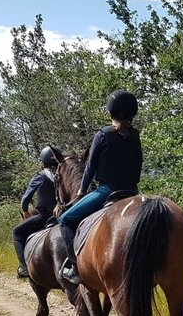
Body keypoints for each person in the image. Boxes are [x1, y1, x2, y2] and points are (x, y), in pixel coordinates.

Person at [57, 90, 143, 284]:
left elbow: (90, 167)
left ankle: (75, 268)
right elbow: (138, 166)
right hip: (132, 193)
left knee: (65, 220)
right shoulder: (135, 136)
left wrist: (81, 190)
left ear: (110, 112)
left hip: (106, 192)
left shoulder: (103, 135)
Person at [12, 146, 61, 278]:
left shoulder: (40, 176)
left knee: (17, 232)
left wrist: (25, 210)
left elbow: (26, 198)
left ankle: (23, 267)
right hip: (63, 215)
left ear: (42, 162)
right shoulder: (63, 173)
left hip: (45, 216)